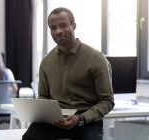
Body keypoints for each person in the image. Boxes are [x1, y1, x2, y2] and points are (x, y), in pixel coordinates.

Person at [22, 7, 115, 140]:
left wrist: (81, 118)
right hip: (54, 120)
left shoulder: (96, 59)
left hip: (86, 120)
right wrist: (46, 114)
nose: (58, 31)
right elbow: (43, 96)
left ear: (74, 25)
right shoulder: (46, 62)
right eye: (53, 28)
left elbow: (107, 101)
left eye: (63, 25)